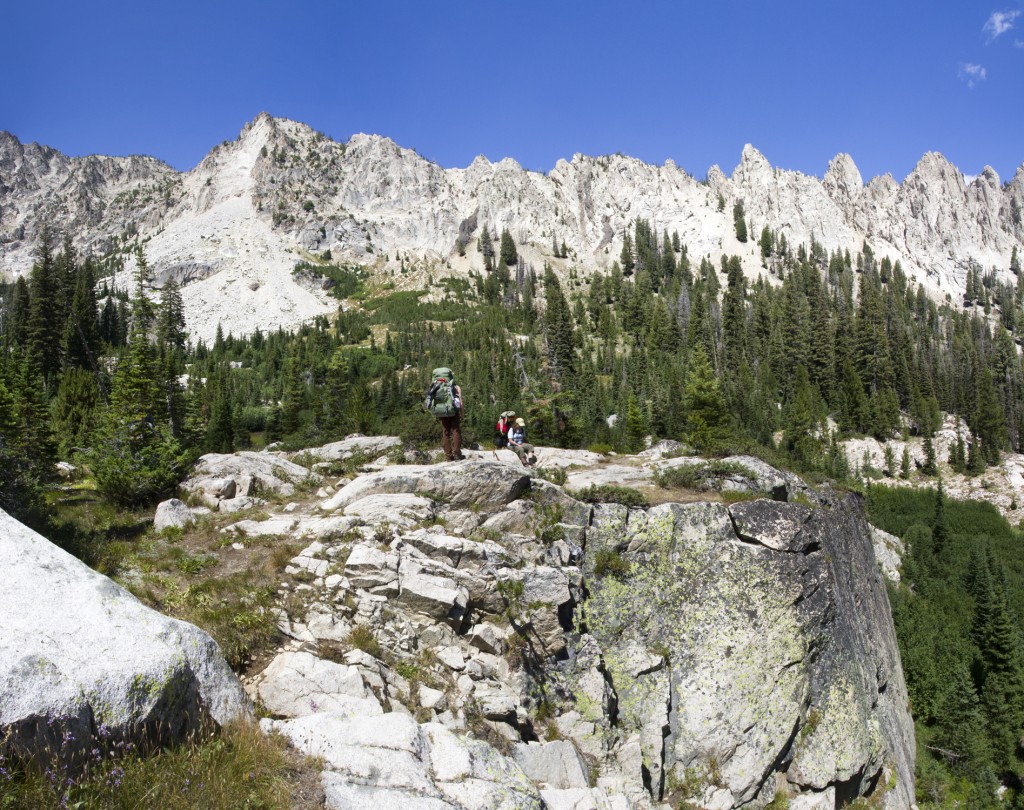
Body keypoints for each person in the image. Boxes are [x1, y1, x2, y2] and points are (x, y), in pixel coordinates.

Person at [425, 367, 464, 461]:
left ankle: (448, 456)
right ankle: (457, 454)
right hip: (453, 411)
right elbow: (461, 403)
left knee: (445, 433)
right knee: (456, 431)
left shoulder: (436, 386)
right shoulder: (455, 387)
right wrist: (462, 414)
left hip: (442, 411)